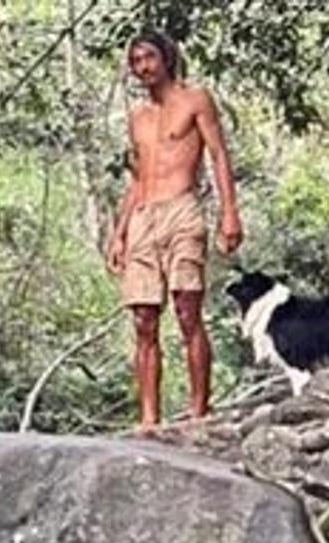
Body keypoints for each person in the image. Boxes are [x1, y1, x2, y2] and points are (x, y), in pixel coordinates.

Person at [105, 31, 243, 427]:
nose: (142, 67)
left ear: (166, 58)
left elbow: (218, 156)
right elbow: (137, 178)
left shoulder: (195, 99)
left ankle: (200, 411)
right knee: (143, 320)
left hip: (182, 210)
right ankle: (149, 419)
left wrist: (229, 213)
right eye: (135, 61)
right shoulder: (137, 116)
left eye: (148, 57)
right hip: (143, 216)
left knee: (187, 310)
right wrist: (119, 232)